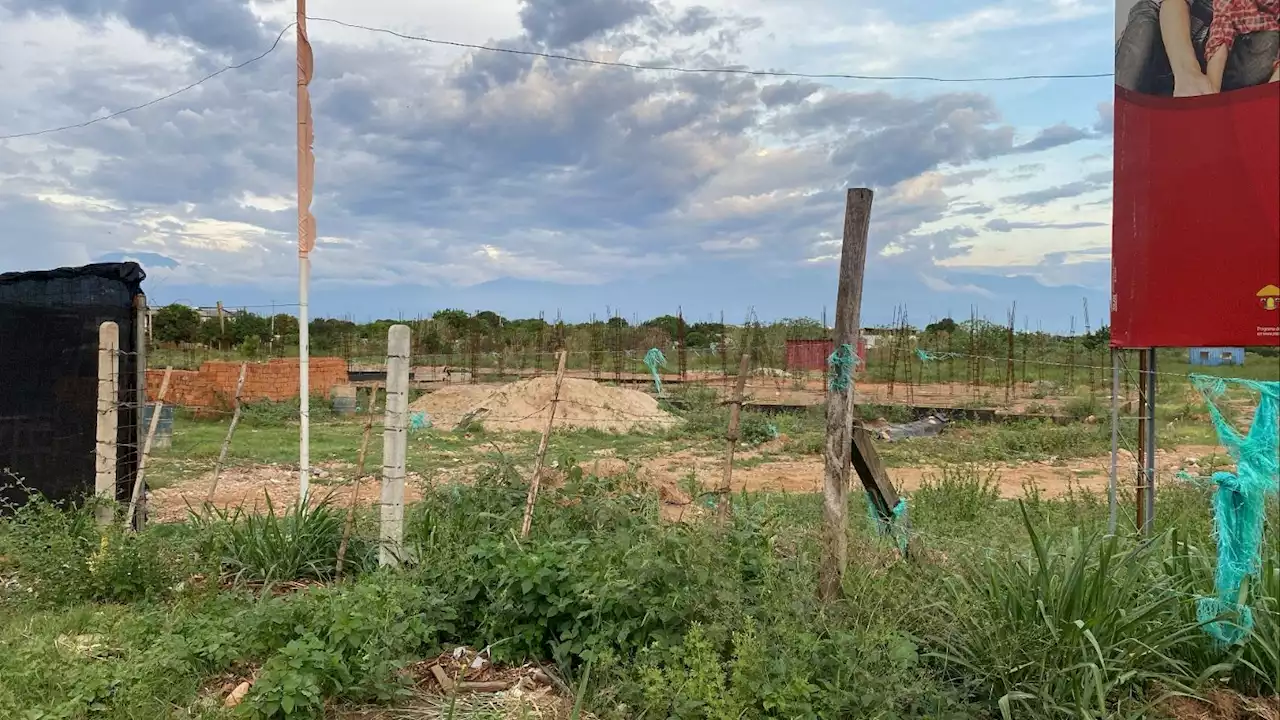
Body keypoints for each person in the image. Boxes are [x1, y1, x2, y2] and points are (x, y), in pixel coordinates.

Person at [1115, 0, 1278, 95]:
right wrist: (1187, 73)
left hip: (1239, 48)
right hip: (1177, 34)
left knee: (1267, 44)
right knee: (1143, 28)